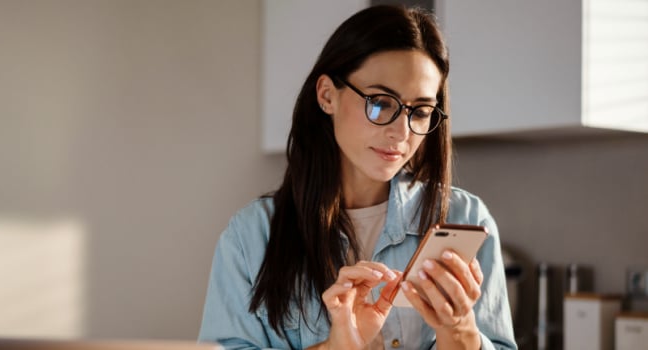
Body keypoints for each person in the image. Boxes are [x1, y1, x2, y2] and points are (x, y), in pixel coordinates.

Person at [198, 5, 516, 350]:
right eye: (380, 103)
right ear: (326, 95)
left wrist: (458, 329)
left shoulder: (465, 218)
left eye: (421, 111)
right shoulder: (251, 237)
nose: (400, 132)